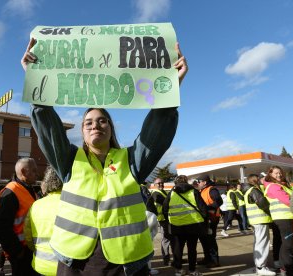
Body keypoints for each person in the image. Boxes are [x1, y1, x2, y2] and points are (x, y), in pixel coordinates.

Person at [23, 37, 188, 275]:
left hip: (126, 264)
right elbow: (47, 127)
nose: (95, 125)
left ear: (111, 128)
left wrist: (171, 88)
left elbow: (156, 133)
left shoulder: (131, 161)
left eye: (102, 121)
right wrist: (35, 78)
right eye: (88, 122)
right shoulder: (68, 160)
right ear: (82, 131)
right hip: (74, 263)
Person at [0, 158, 38, 276]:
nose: (37, 174)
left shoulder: (29, 189)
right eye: (34, 171)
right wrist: (17, 251)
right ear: (23, 172)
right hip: (21, 252)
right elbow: (1, 227)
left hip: (29, 250)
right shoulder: (10, 193)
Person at [163, 175, 207, 276]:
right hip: (193, 225)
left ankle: (179, 270)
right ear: (186, 181)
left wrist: (169, 220)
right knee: (192, 249)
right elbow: (202, 207)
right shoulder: (194, 191)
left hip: (177, 226)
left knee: (178, 249)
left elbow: (164, 209)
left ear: (176, 182)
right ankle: (192, 270)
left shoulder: (171, 193)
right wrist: (205, 220)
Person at [25, 166, 63, 275]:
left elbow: (28, 236)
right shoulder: (73, 204)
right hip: (65, 267)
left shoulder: (36, 205)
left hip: (40, 265)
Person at [264, 166, 293, 276]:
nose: (279, 175)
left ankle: (284, 267)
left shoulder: (280, 185)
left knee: (286, 244)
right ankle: (289, 269)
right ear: (270, 174)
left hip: (286, 217)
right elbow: (287, 200)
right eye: (276, 173)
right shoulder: (273, 186)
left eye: (280, 173)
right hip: (283, 218)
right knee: (288, 244)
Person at [243, 174, 275, 275]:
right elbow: (263, 204)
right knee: (262, 244)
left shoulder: (249, 190)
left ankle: (259, 266)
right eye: (261, 178)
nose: (263, 180)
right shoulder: (254, 190)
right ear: (256, 180)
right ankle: (261, 267)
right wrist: (273, 212)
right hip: (260, 220)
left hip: (256, 220)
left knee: (258, 243)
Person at [196, 175, 222, 268]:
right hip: (205, 218)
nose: (197, 183)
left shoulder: (212, 189)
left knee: (210, 240)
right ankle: (207, 258)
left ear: (204, 182)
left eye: (199, 181)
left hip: (212, 218)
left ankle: (215, 261)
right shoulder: (202, 190)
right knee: (204, 240)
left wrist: (207, 208)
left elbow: (219, 201)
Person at [148, 178, 172, 266]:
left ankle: (171, 258)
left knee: (169, 238)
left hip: (167, 219)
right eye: (158, 183)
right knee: (165, 239)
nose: (161, 184)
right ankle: (166, 259)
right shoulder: (155, 193)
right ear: (154, 185)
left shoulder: (164, 192)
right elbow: (165, 202)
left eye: (162, 183)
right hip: (162, 219)